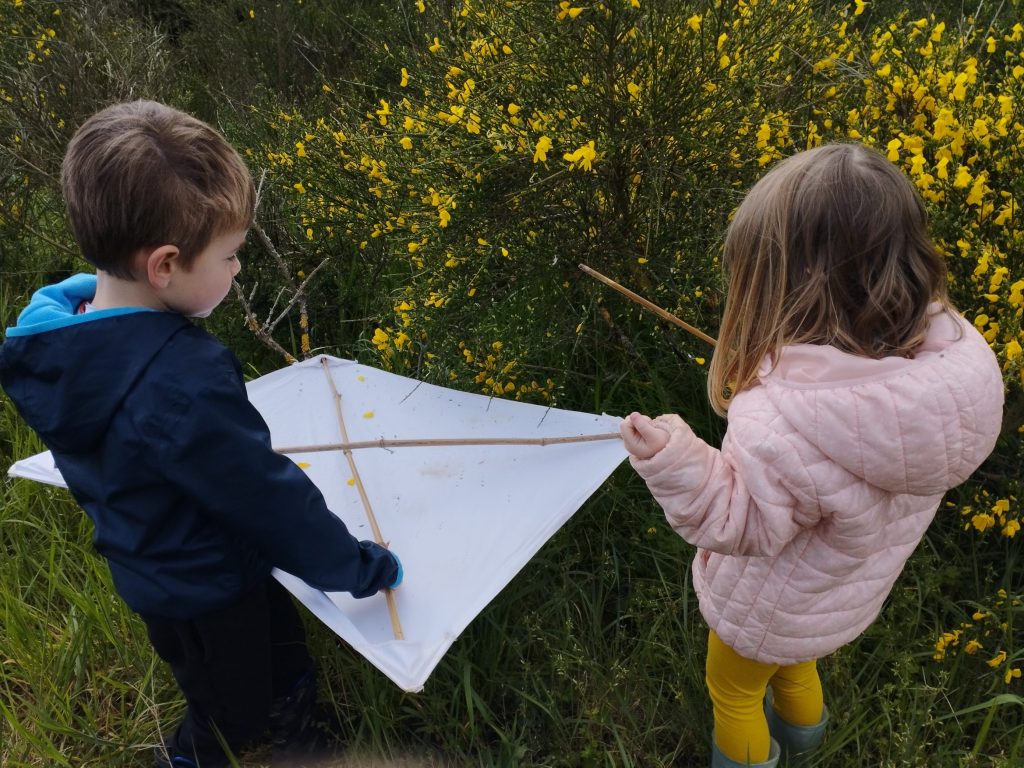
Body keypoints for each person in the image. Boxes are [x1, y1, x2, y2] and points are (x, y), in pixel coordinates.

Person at [0, 100, 403, 768]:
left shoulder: (60, 332)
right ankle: (198, 754)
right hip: (207, 582)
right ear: (163, 265)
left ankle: (297, 723)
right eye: (230, 256)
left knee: (274, 655)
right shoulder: (179, 379)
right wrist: (355, 566)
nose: (237, 270)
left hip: (155, 562)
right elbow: (265, 497)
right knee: (227, 712)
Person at [619, 143, 1003, 768]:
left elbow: (737, 521)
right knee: (796, 666)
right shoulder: (945, 380)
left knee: (734, 688)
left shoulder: (786, 424)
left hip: (770, 600)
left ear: (790, 282)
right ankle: (808, 748)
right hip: (836, 594)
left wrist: (672, 458)